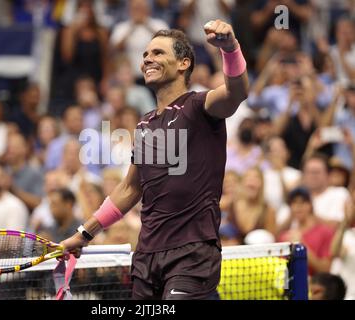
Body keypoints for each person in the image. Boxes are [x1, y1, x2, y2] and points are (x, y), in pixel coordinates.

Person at [59, 20, 249, 300]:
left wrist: (230, 48)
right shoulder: (145, 124)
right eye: (145, 54)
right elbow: (130, 188)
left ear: (183, 63)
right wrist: (84, 233)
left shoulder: (199, 106)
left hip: (192, 254)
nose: (148, 58)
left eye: (158, 53)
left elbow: (237, 93)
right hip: (147, 257)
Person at [278, 187, 335, 275]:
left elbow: (325, 269)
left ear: (310, 205)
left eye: (302, 202)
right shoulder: (284, 236)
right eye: (294, 203)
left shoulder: (325, 232)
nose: (298, 207)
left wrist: (301, 245)